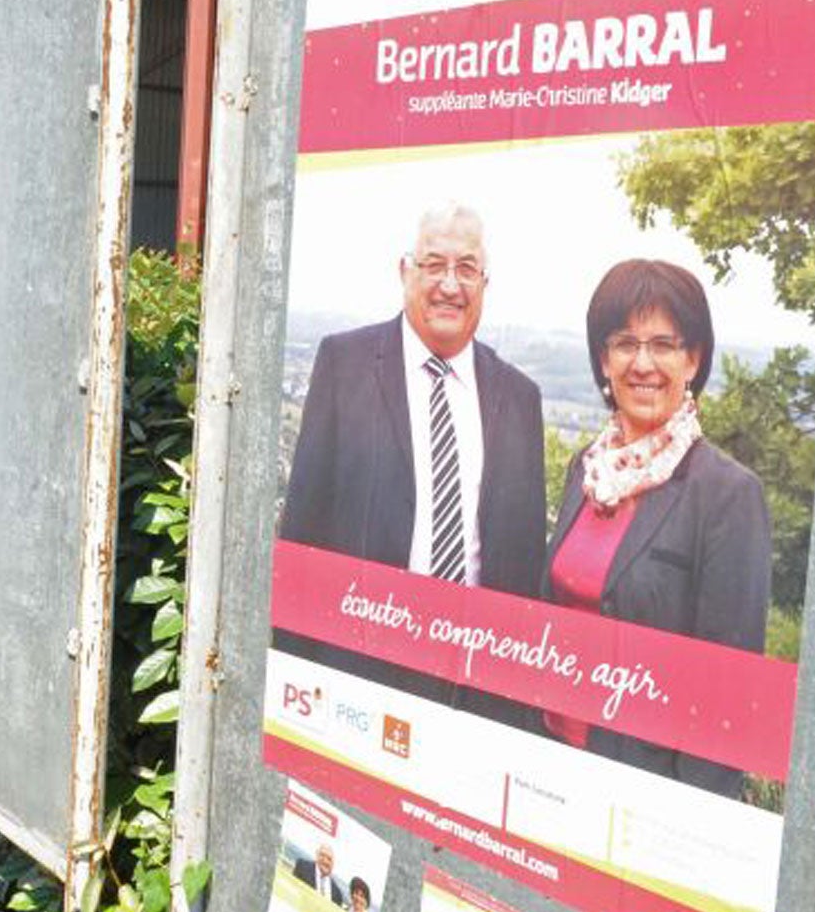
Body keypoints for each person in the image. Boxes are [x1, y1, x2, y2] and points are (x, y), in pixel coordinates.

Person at [278, 204, 548, 709]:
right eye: (434, 264)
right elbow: (302, 533)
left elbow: (526, 566)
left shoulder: (520, 399)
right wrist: (292, 677)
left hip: (473, 690)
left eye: (466, 268)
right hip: (354, 678)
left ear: (484, 284)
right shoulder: (346, 365)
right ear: (405, 272)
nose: (450, 285)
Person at [543, 259, 770, 798]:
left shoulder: (726, 494)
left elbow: (727, 701)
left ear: (692, 359)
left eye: (664, 344)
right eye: (624, 343)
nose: (643, 363)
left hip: (643, 792)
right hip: (549, 764)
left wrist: (685, 824)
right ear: (604, 360)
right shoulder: (586, 470)